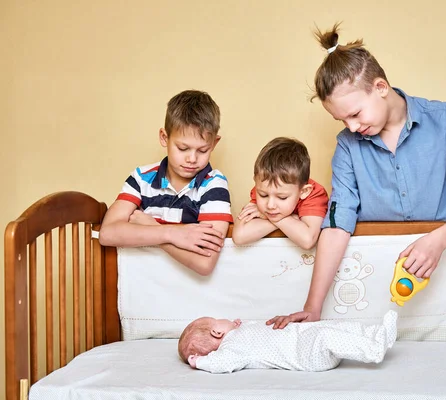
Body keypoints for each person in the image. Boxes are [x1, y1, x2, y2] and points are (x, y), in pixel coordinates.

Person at [267, 23, 446, 329]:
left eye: (355, 114)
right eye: (341, 119)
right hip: (377, 279)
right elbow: (337, 224)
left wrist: (437, 242)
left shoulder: (444, 119)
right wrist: (313, 306)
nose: (351, 127)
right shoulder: (347, 146)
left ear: (381, 88)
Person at [99, 90, 233, 276]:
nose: (192, 159)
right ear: (164, 137)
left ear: (214, 143)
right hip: (144, 286)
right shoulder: (141, 178)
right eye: (183, 148)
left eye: (203, 150)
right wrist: (172, 234)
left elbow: (204, 263)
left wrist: (152, 227)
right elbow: (107, 234)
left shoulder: (214, 185)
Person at [179, 310, 398, 373]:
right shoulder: (232, 347)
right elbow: (221, 363)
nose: (230, 318)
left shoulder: (241, 330)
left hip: (302, 336)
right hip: (306, 356)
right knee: (327, 336)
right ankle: (373, 350)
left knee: (333, 327)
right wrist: (199, 362)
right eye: (220, 319)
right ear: (217, 332)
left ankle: (376, 334)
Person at [232, 137, 329, 250]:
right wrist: (292, 219)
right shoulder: (264, 187)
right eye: (263, 195)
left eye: (282, 197)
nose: (270, 205)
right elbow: (239, 236)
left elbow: (307, 240)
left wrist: (270, 218)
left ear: (303, 191)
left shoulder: (314, 194)